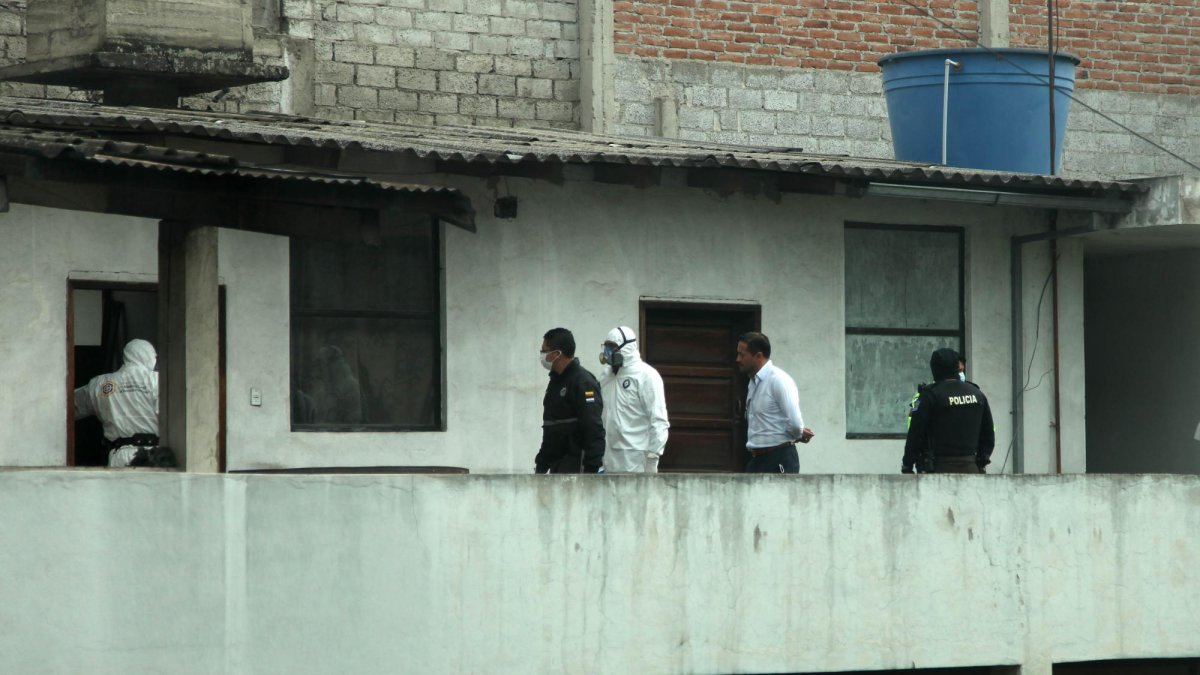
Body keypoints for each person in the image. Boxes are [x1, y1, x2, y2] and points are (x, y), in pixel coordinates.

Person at [903, 347, 996, 474]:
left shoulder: (927, 396)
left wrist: (907, 464)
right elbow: (988, 433)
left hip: (937, 468)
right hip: (971, 467)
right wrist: (982, 459)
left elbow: (915, 433)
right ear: (956, 367)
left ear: (934, 368)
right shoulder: (977, 393)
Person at [735, 332, 814, 473]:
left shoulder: (778, 380)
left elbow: (795, 424)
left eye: (742, 355)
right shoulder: (753, 382)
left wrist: (797, 434)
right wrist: (798, 433)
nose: (738, 359)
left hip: (779, 458)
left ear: (758, 356)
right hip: (757, 459)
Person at [73, 339, 160, 467]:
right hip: (152, 456)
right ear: (147, 355)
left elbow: (67, 406)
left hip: (119, 457)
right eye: (154, 356)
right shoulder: (156, 380)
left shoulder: (101, 384)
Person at [597, 326, 669, 473]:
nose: (607, 351)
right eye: (607, 346)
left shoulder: (646, 375)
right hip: (608, 458)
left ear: (627, 348)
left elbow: (659, 420)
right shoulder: (606, 376)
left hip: (636, 460)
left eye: (612, 346)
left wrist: (653, 457)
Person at [535, 327, 606, 474]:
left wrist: (591, 470)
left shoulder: (583, 382)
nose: (542, 355)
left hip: (577, 466)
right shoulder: (555, 382)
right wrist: (541, 464)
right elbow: (551, 427)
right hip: (557, 466)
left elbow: (593, 428)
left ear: (557, 354)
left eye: (544, 351)